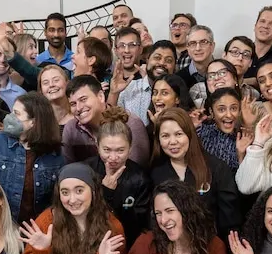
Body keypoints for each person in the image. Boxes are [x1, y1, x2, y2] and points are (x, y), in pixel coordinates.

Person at [0, 91, 65, 222]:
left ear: (33, 122)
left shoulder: (55, 152)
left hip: (39, 226)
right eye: (12, 112)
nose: (10, 117)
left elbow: (57, 200)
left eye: (17, 114)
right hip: (2, 224)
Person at [149, 108, 240, 236]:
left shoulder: (216, 168)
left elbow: (229, 219)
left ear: (190, 134)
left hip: (210, 245)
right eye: (165, 136)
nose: (173, 142)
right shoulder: (156, 173)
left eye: (179, 134)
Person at [63, 74, 150, 166]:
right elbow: (69, 169)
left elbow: (137, 170)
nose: (78, 107)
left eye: (83, 99)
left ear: (100, 96)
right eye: (73, 104)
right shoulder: (71, 128)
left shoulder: (130, 123)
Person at [87, 119, 151, 238]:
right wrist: (105, 190)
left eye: (120, 150)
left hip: (127, 238)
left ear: (130, 148)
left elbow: (140, 223)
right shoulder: (86, 171)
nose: (113, 157)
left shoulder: (140, 178)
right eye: (107, 150)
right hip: (91, 237)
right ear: (97, 146)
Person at [196, 87, 246, 171]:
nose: (229, 115)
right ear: (211, 112)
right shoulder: (201, 133)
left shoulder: (245, 137)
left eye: (233, 108)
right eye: (221, 109)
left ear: (240, 111)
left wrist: (241, 155)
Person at [38, 62, 75, 127]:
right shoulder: (38, 121)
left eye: (56, 80)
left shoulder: (79, 117)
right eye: (46, 83)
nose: (51, 85)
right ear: (41, 90)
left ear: (67, 83)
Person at [180, 26, 216, 92]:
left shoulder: (224, 75)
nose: (198, 48)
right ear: (187, 48)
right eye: (192, 43)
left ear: (212, 46)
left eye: (203, 42)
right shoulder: (179, 79)